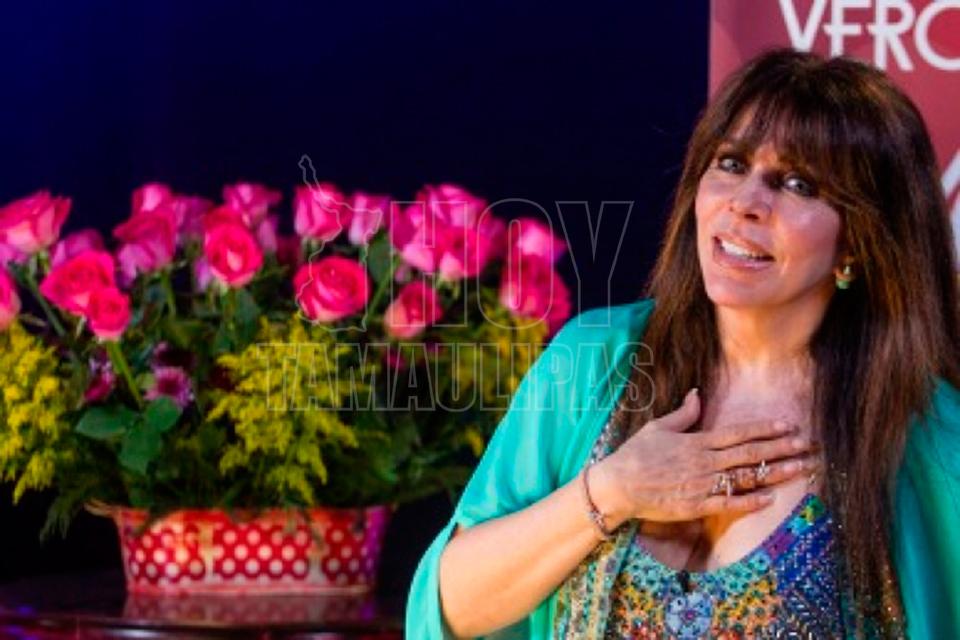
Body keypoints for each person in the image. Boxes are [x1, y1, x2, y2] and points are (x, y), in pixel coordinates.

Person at [407, 49, 960, 639]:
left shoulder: (922, 434)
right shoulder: (598, 359)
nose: (744, 202)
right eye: (731, 163)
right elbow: (449, 606)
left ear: (858, 243)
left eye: (797, 183)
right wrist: (612, 491)